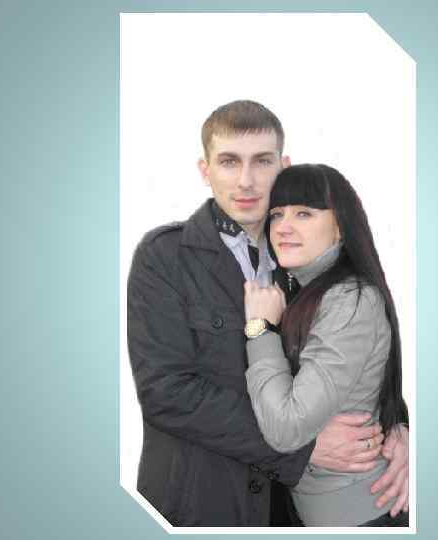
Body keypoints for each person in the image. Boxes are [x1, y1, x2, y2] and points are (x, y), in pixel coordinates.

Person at [127, 100, 409, 526]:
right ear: (205, 170)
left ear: (283, 166)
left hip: (288, 511)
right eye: (229, 161)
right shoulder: (165, 256)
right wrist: (302, 447)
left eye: (262, 161)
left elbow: (352, 357)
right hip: (202, 503)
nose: (246, 180)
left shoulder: (303, 258)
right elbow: (166, 393)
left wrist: (394, 427)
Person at [243, 164, 409, 526]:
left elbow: (286, 427)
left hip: (360, 516)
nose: (283, 227)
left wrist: (260, 329)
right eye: (277, 214)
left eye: (304, 213)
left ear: (340, 226)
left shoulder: (349, 300)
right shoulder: (308, 291)